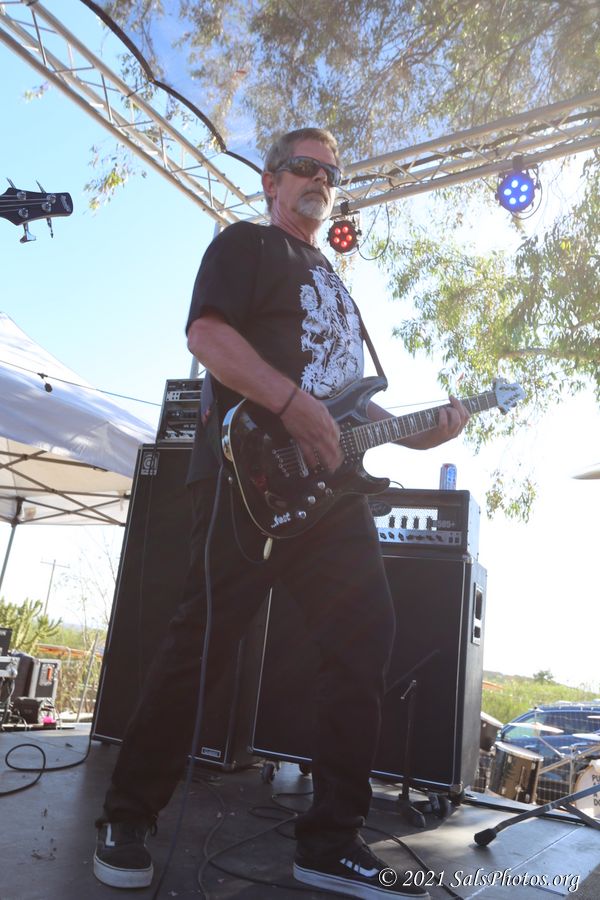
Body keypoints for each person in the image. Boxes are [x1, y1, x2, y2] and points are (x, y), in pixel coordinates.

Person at [93, 127, 469, 899]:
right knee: (201, 645)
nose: (320, 179)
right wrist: (291, 404)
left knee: (366, 639)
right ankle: (127, 816)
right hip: (250, 475)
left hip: (330, 497)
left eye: (331, 172)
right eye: (305, 166)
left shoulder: (338, 284)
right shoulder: (247, 245)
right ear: (271, 181)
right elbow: (207, 336)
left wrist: (415, 430)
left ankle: (329, 840)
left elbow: (346, 410)